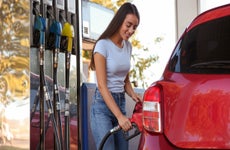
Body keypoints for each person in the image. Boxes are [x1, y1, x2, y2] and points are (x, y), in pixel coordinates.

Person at [89, 2, 142, 150]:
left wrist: (133, 94)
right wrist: (119, 116)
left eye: (135, 27)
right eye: (128, 25)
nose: (131, 30)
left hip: (120, 102)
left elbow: (125, 80)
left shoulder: (128, 46)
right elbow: (101, 85)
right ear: (119, 21)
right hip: (102, 107)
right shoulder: (102, 46)